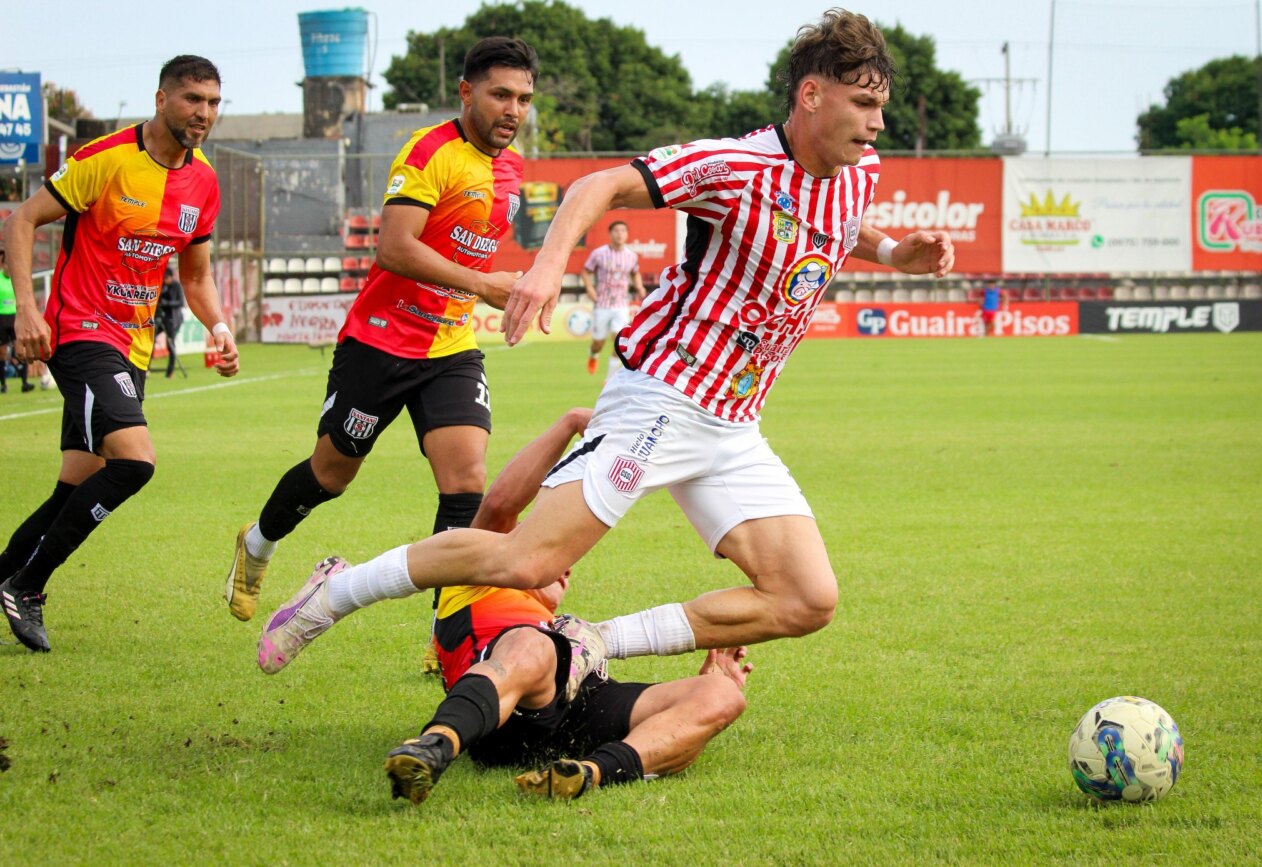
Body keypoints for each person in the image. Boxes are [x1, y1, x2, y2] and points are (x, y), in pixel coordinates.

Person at [256, 10, 954, 677]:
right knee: (526, 561)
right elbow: (599, 184)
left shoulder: (857, 171)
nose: (878, 122)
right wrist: (548, 267)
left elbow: (833, 219)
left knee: (807, 597)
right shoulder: (735, 165)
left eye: (881, 106)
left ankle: (593, 639)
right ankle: (336, 591)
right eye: (864, 103)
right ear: (811, 94)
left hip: (733, 424)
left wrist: (894, 252)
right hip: (663, 395)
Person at [223, 36, 537, 623]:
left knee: (467, 479)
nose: (513, 110)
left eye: (523, 98)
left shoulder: (512, 168)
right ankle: (257, 545)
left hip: (450, 348)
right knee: (331, 474)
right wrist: (483, 283)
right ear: (466, 92)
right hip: (380, 342)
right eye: (500, 95)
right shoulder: (429, 152)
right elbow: (394, 248)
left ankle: (448, 632)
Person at [366, 407, 751, 803]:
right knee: (535, 645)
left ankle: (587, 773)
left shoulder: (550, 623)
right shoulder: (477, 579)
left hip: (574, 707)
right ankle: (434, 746)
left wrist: (711, 682)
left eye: (568, 568)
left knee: (722, 696)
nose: (565, 567)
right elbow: (499, 507)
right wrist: (568, 424)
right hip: (505, 716)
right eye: (554, 556)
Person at [0, 55, 237, 653]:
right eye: (192, 100)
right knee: (134, 464)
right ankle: (27, 587)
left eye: (212, 102)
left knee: (76, 484)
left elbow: (198, 274)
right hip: (80, 330)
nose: (203, 113)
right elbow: (22, 220)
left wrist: (219, 326)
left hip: (131, 343)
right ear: (161, 100)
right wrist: (28, 310)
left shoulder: (203, 180)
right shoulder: (105, 159)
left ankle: (4, 577)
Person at [581, 220, 644, 375]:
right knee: (598, 343)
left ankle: (609, 378)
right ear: (610, 234)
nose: (620, 234)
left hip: (621, 305)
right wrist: (589, 288)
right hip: (602, 304)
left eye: (623, 231)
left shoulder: (631, 256)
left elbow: (635, 273)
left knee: (619, 340)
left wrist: (639, 286)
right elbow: (585, 271)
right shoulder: (599, 253)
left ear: (627, 234)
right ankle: (593, 355)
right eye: (616, 231)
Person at [0, 245, 35, 394]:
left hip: (15, 318)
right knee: (2, 353)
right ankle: (4, 385)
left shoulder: (18, 281)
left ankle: (25, 383)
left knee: (22, 350)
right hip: (1, 319)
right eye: (7, 264)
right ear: (4, 264)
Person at [154, 265, 185, 377]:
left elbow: (181, 302)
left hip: (172, 318)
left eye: (167, 278)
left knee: (170, 344)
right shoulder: (160, 285)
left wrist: (168, 303)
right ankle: (146, 370)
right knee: (150, 340)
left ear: (171, 277)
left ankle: (170, 372)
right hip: (159, 317)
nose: (165, 280)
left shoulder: (176, 286)